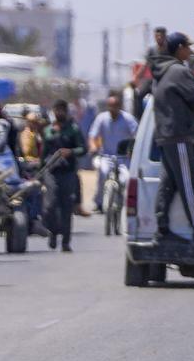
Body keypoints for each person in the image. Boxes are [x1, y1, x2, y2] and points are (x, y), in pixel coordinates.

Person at [150, 32, 194, 244]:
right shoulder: (179, 71)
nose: (190, 51)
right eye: (188, 47)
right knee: (188, 183)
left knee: (168, 183)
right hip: (179, 136)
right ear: (180, 48)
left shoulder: (161, 72)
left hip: (165, 136)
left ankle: (162, 231)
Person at [42, 99, 87, 252]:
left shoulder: (73, 129)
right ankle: (53, 232)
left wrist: (71, 151)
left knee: (66, 207)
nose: (58, 113)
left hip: (68, 172)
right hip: (51, 172)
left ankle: (66, 242)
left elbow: (83, 149)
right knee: (50, 205)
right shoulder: (48, 130)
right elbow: (43, 153)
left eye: (61, 110)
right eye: (56, 110)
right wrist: (41, 169)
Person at [88, 94, 138, 212]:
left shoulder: (128, 119)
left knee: (125, 179)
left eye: (115, 106)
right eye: (110, 106)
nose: (112, 109)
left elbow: (137, 135)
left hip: (123, 157)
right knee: (103, 174)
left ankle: (124, 204)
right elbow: (92, 135)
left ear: (119, 106)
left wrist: (132, 149)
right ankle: (99, 203)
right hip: (106, 156)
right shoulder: (102, 118)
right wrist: (93, 146)